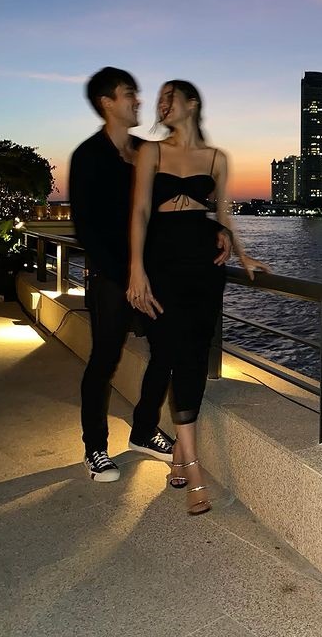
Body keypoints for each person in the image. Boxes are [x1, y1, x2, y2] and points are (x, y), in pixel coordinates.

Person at [69, 67, 232, 482]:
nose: (139, 101)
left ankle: (143, 430)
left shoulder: (147, 150)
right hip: (113, 276)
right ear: (107, 102)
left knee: (166, 353)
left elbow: (170, 207)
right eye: (129, 94)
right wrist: (127, 276)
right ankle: (95, 447)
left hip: (156, 270)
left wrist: (218, 230)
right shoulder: (89, 155)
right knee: (105, 358)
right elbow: (86, 227)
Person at [127, 80, 269, 514]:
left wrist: (242, 253)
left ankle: (178, 454)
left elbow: (223, 214)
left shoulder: (216, 158)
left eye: (170, 98)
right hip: (161, 259)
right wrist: (136, 270)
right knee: (170, 351)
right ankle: (193, 467)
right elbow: (140, 211)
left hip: (204, 264)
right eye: (159, 100)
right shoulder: (151, 152)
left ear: (192, 104)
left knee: (193, 354)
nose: (162, 104)